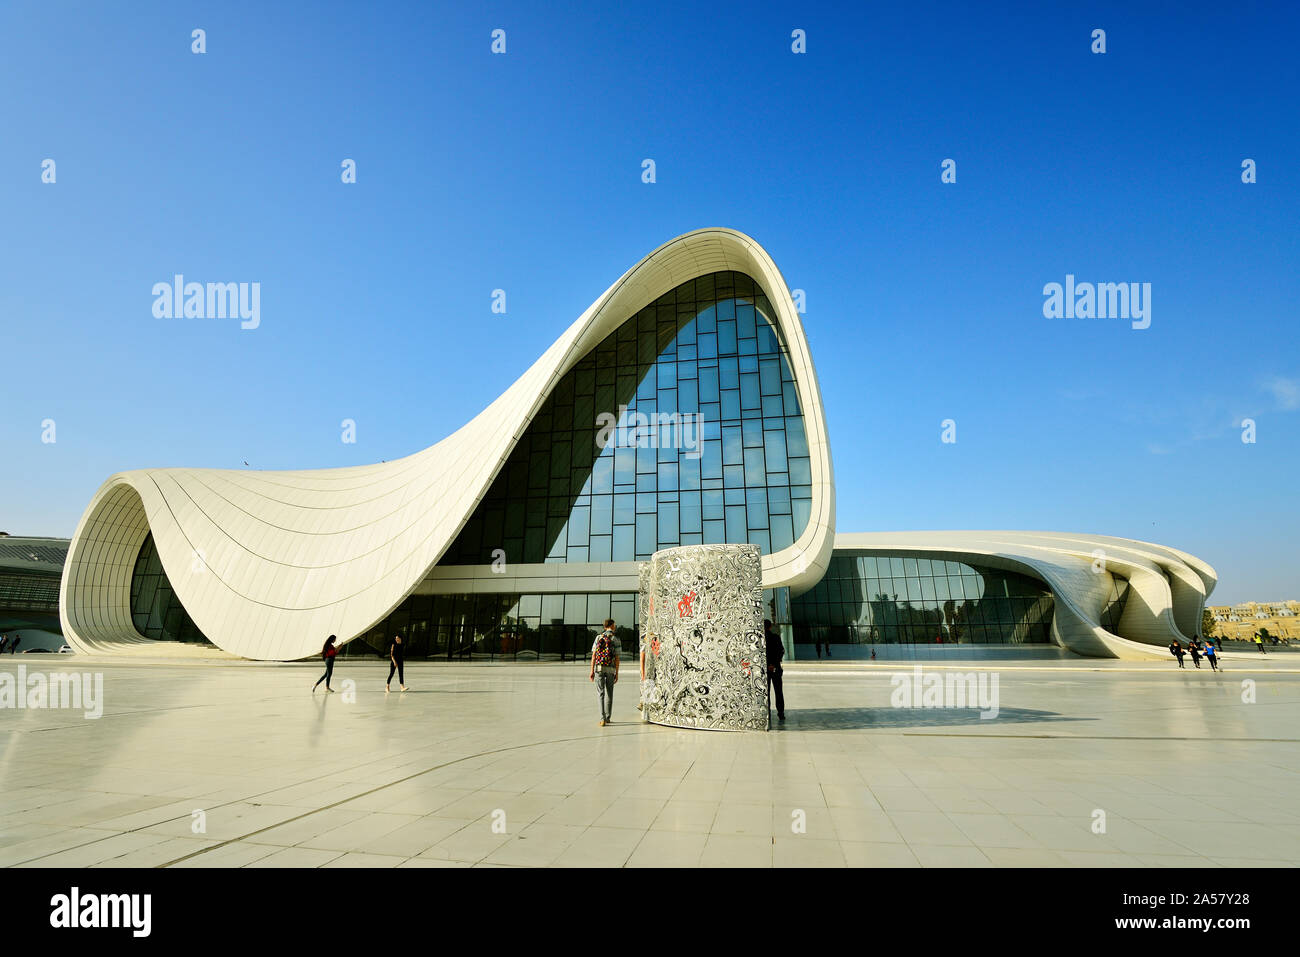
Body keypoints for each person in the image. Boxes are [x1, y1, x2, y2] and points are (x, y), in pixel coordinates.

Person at [589, 618, 620, 727]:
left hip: (599, 668)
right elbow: (617, 658)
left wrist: (592, 670)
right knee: (610, 694)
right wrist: (617, 672)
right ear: (611, 626)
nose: (615, 627)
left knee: (600, 693)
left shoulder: (598, 637)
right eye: (614, 625)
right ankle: (608, 717)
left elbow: (594, 656)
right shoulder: (615, 639)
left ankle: (602, 719)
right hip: (610, 669)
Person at [764, 619, 785, 721]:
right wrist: (774, 664)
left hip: (765, 670)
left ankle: (767, 712)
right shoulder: (776, 637)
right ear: (770, 626)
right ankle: (780, 713)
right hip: (776, 668)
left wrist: (768, 665)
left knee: (765, 692)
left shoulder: (761, 639)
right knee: (778, 691)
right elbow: (781, 651)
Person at [638, 630, 656, 721]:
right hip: (647, 671)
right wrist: (643, 673)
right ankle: (643, 705)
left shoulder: (653, 646)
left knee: (650, 690)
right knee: (647, 689)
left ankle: (646, 708)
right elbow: (642, 660)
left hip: (651, 671)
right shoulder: (645, 647)